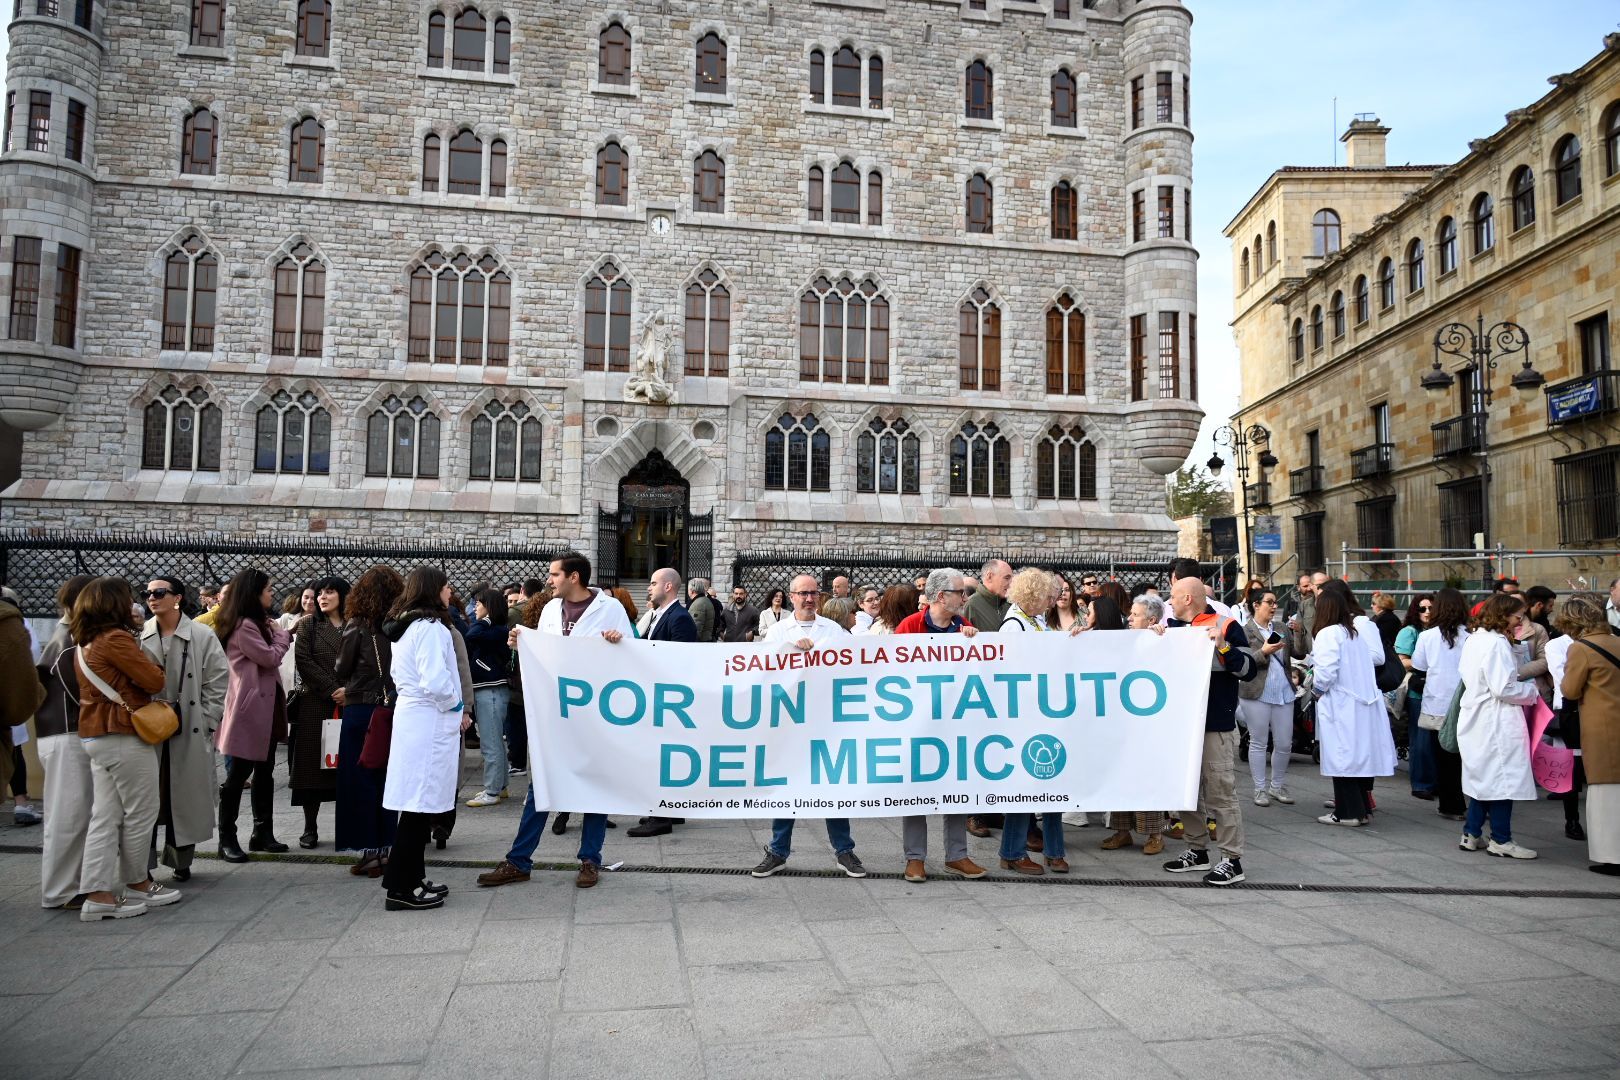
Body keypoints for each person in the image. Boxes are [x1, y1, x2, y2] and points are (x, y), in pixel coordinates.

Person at [478, 552, 632, 890]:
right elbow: (543, 655)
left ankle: (590, 859)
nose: (549, 580)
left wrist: (619, 642)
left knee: (596, 787)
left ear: (573, 577)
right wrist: (518, 644)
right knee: (542, 786)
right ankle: (519, 860)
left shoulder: (610, 609)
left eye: (554, 575)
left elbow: (634, 656)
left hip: (595, 716)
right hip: (556, 714)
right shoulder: (549, 610)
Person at [70, 577, 178, 921]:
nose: (136, 603)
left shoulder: (85, 641)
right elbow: (154, 680)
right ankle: (137, 882)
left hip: (96, 734)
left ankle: (99, 892)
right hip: (121, 733)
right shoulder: (115, 639)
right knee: (142, 810)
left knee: (106, 816)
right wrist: (153, 667)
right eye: (128, 598)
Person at [749, 574, 867, 880]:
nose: (809, 599)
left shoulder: (834, 631)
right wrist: (789, 649)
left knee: (832, 784)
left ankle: (844, 851)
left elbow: (856, 664)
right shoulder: (777, 631)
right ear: (791, 596)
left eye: (814, 593)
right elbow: (763, 673)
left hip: (826, 720)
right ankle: (777, 852)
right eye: (803, 593)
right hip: (790, 721)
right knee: (786, 786)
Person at [891, 568, 987, 882]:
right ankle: (915, 858)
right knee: (915, 788)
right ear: (942, 596)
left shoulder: (965, 627)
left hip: (954, 723)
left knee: (956, 787)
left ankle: (957, 855)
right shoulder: (910, 626)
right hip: (917, 723)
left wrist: (973, 641)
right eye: (960, 592)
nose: (965, 597)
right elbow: (893, 672)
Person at [379, 567, 467, 910]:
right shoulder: (430, 628)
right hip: (429, 719)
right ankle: (401, 889)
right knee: (419, 807)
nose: (450, 592)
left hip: (416, 718)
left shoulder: (408, 626)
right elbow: (435, 680)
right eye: (446, 586)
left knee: (418, 804)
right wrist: (457, 706)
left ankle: (412, 876)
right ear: (433, 590)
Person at [1162, 576, 1254, 886]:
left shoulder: (1226, 625)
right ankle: (1196, 850)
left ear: (1188, 598)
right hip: (1184, 726)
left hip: (1215, 725)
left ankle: (1232, 860)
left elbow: (1248, 669)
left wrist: (1224, 647)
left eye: (1173, 596)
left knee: (1220, 793)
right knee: (1186, 791)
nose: (1170, 601)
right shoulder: (1172, 628)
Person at [139, 575, 228, 882]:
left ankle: (181, 860)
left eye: (159, 592)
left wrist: (207, 719)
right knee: (147, 796)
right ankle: (142, 865)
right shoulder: (139, 634)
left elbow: (218, 679)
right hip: (147, 726)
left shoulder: (201, 634)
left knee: (184, 796)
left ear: (176, 597)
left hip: (188, 726)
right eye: (147, 593)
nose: (152, 597)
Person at [214, 568, 293, 862]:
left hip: (264, 708)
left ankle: (262, 831)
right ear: (254, 593)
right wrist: (283, 636)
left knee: (265, 772)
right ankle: (227, 838)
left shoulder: (256, 624)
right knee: (238, 775)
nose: (272, 593)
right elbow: (270, 657)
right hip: (248, 711)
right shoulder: (245, 626)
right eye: (268, 589)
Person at [1456, 593, 1544, 859]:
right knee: (1504, 780)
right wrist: (1532, 694)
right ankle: (1501, 839)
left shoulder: (1475, 639)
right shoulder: (1495, 644)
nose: (1520, 622)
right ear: (1504, 614)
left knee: (1483, 777)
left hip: (1477, 715)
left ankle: (1471, 832)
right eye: (1518, 616)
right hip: (1497, 718)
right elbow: (1503, 687)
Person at [334, 565, 403, 877]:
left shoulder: (357, 626)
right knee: (387, 780)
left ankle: (369, 853)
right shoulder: (399, 626)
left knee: (359, 780)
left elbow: (342, 667)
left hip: (361, 707)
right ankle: (387, 849)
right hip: (391, 709)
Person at [1310, 583, 1396, 826]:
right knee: (1356, 758)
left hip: (1342, 704)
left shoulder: (1328, 633)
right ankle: (1361, 809)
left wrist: (1316, 691)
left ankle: (1347, 812)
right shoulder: (1353, 633)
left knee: (1343, 758)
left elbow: (1326, 671)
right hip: (1360, 703)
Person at [35, 575, 94, 908]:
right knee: (68, 816)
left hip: (65, 733)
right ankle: (60, 890)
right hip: (67, 734)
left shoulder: (69, 635)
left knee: (74, 814)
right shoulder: (70, 639)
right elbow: (80, 694)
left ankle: (69, 885)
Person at [627, 568, 698, 839]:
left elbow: (681, 661)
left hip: (670, 700)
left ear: (668, 586)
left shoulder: (680, 618)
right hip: (660, 696)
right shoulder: (661, 615)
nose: (649, 587)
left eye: (654, 583)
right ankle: (670, 808)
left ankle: (661, 817)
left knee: (662, 758)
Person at [1100, 595, 1169, 854]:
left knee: (1147, 777)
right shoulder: (1124, 640)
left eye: (1135, 615)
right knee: (1122, 775)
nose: (1129, 618)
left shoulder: (1161, 639)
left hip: (1148, 721)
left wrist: (1160, 637)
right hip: (1123, 719)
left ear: (1151, 619)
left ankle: (1155, 834)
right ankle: (1122, 831)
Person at [1558, 594, 1620, 874]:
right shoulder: (1617, 641)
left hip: (1601, 726)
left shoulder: (1581, 648)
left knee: (1605, 792)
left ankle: (1612, 856)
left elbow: (1570, 690)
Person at [288, 575, 348, 848]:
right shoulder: (309, 625)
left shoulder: (354, 625)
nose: (322, 597)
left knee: (346, 768)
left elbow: (365, 661)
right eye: (319, 593)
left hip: (349, 703)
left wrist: (349, 690)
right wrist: (332, 688)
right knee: (311, 768)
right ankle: (309, 826)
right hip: (316, 703)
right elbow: (303, 660)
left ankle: (346, 825)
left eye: (329, 592)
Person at [1411, 588, 1471, 821]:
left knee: (1444, 756)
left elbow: (1420, 666)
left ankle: (1450, 804)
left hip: (1437, 702)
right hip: (1464, 701)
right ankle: (1468, 802)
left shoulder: (1427, 636)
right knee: (1465, 756)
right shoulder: (1471, 637)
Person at [1238, 589, 1296, 807]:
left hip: (1283, 691)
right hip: (1256, 692)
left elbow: (1299, 652)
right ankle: (1259, 789)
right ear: (1256, 604)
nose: (1274, 607)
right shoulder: (1245, 631)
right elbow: (1242, 663)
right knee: (1259, 742)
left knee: (1284, 742)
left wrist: (1299, 632)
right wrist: (1264, 651)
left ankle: (1277, 785)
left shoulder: (1280, 628)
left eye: (1275, 603)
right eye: (1269, 602)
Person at [464, 589, 515, 808]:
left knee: (490, 742)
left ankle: (492, 790)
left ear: (489, 607)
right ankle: (500, 785)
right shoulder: (496, 630)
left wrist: (484, 620)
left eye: (479, 604)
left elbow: (471, 635)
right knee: (494, 740)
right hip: (490, 690)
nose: (475, 608)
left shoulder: (495, 630)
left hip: (491, 690)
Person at [1395, 595, 1436, 799]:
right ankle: (1421, 783)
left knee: (1434, 739)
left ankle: (1434, 781)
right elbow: (1401, 661)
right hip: (1417, 690)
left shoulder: (1438, 631)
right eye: (1423, 608)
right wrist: (1429, 661)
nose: (1427, 612)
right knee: (1421, 739)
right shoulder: (1409, 632)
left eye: (1431, 607)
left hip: (1436, 689)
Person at [964, 559, 1012, 633]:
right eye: (1007, 578)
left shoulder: (1009, 606)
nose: (1011, 583)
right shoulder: (970, 606)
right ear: (989, 577)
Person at [998, 567, 1052, 633]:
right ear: (1035, 597)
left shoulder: (1034, 618)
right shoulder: (1013, 625)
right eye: (1048, 597)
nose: (1050, 601)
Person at [687, 577, 717, 642]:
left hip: (700, 644)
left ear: (692, 590)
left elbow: (695, 629)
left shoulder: (698, 604)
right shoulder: (704, 600)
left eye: (688, 589)